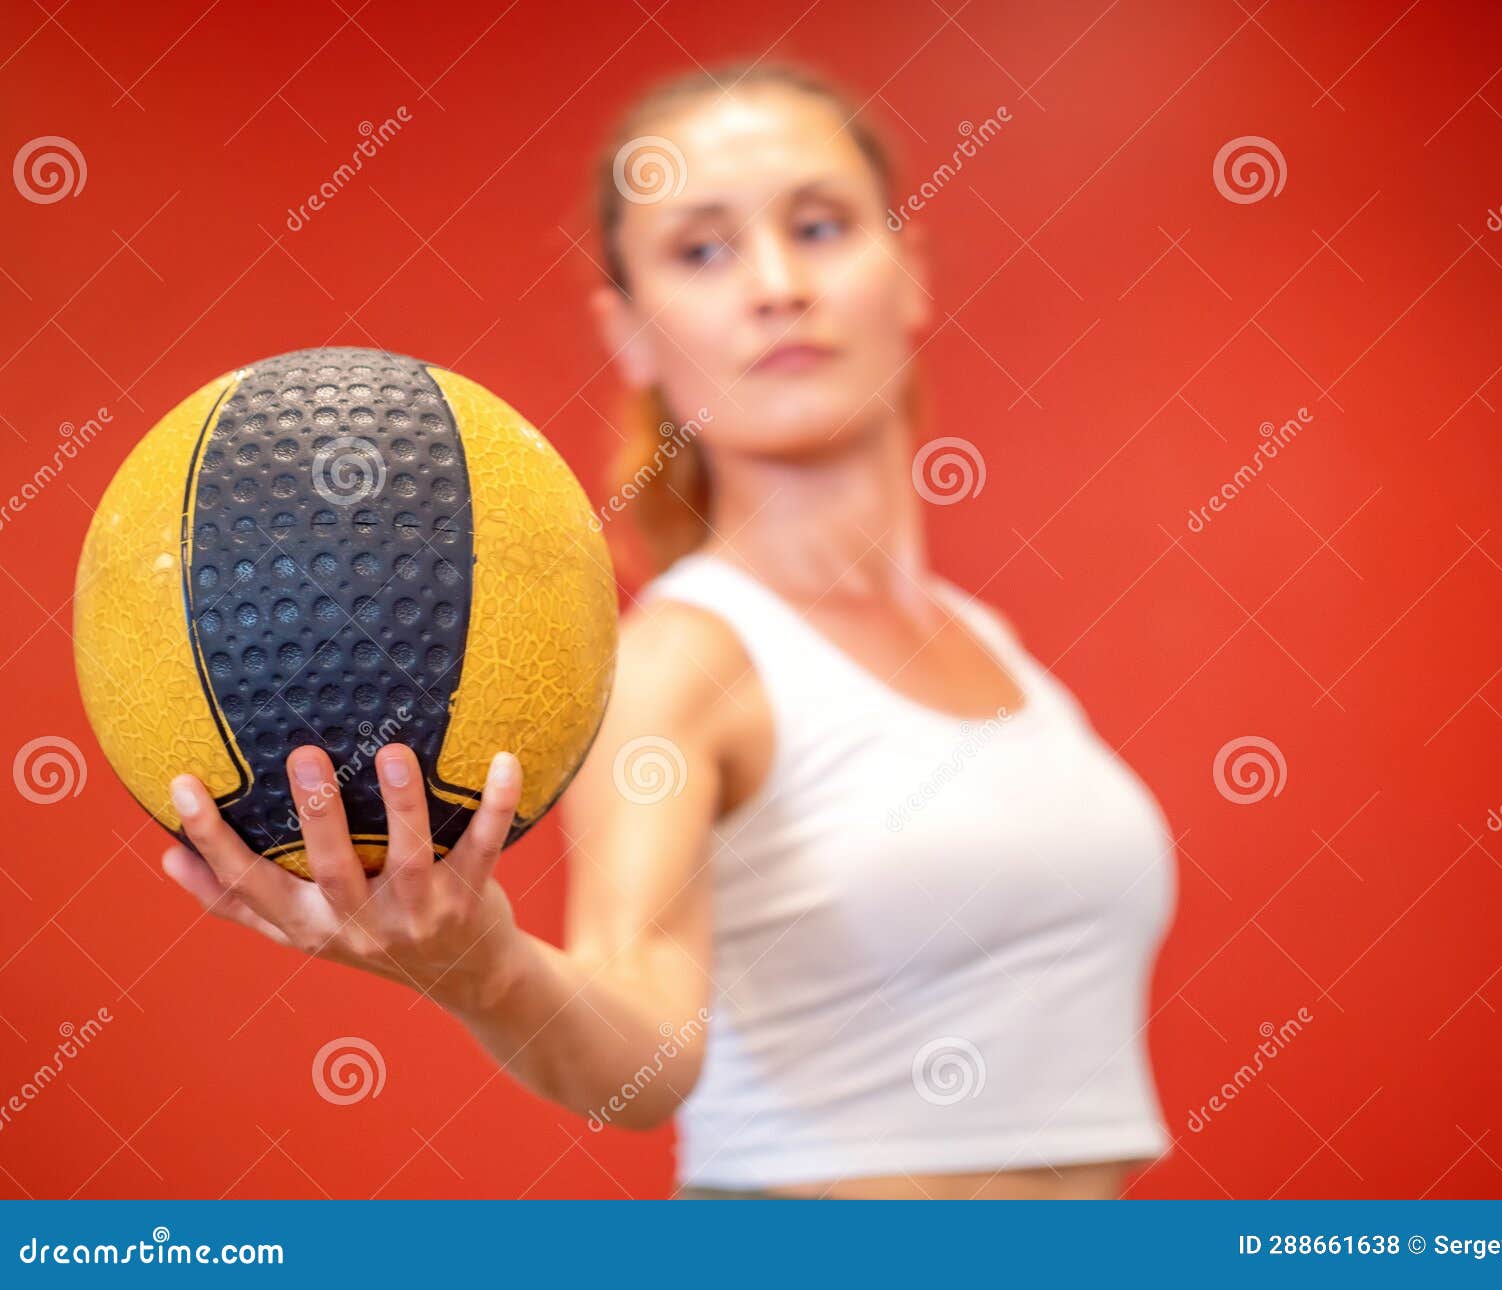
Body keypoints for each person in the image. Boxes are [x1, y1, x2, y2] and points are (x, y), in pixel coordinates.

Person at [162, 62, 1177, 1200]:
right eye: (702, 250)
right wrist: (485, 969)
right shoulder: (682, 659)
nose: (777, 284)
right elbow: (645, 1046)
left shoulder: (998, 650)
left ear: (907, 276)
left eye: (821, 225)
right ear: (631, 331)